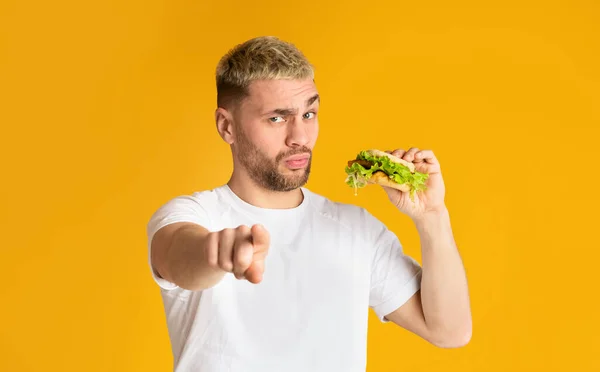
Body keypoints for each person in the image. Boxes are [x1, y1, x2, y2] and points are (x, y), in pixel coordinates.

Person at [146, 36, 472, 372]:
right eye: (277, 118)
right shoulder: (194, 215)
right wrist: (217, 252)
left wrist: (433, 217)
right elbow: (177, 253)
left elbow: (449, 330)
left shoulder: (357, 230)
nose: (299, 137)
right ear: (226, 126)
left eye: (309, 113)